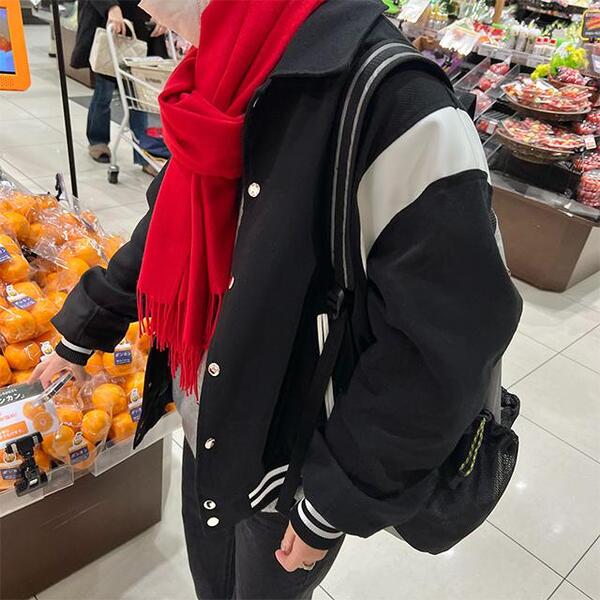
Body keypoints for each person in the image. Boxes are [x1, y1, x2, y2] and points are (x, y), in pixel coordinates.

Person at [32, 0, 523, 598]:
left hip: (294, 461)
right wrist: (87, 325)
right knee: (213, 584)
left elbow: (446, 344)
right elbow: (173, 224)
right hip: (208, 417)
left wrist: (334, 498)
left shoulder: (397, 103)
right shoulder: (220, 70)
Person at [71, 0, 169, 173]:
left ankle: (144, 153)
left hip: (141, 21)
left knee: (138, 95)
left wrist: (162, 11)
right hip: (109, 20)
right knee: (104, 89)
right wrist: (111, 7)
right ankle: (98, 140)